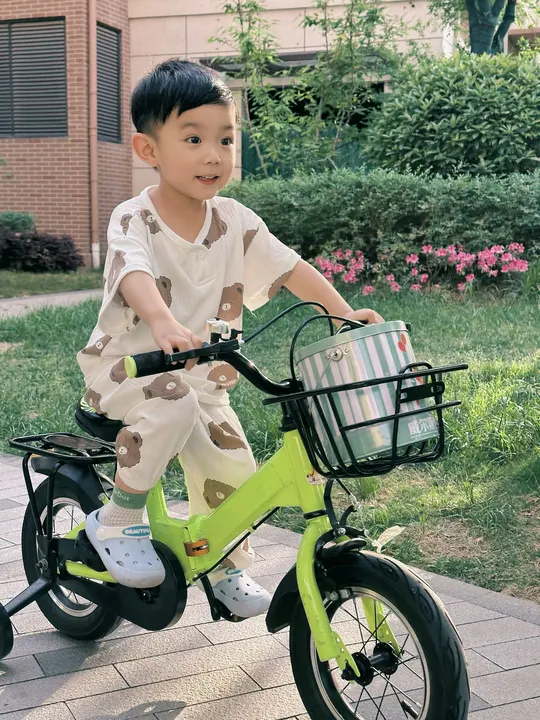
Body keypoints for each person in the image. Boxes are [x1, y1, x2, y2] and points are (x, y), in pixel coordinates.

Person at [77, 58, 383, 619]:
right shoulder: (134, 217)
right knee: (172, 404)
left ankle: (224, 564)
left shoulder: (235, 220)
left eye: (225, 138)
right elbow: (132, 271)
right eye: (193, 138)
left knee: (236, 470)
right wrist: (162, 322)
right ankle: (117, 518)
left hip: (203, 380)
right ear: (148, 149)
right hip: (128, 371)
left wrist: (341, 314)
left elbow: (290, 268)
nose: (214, 154)